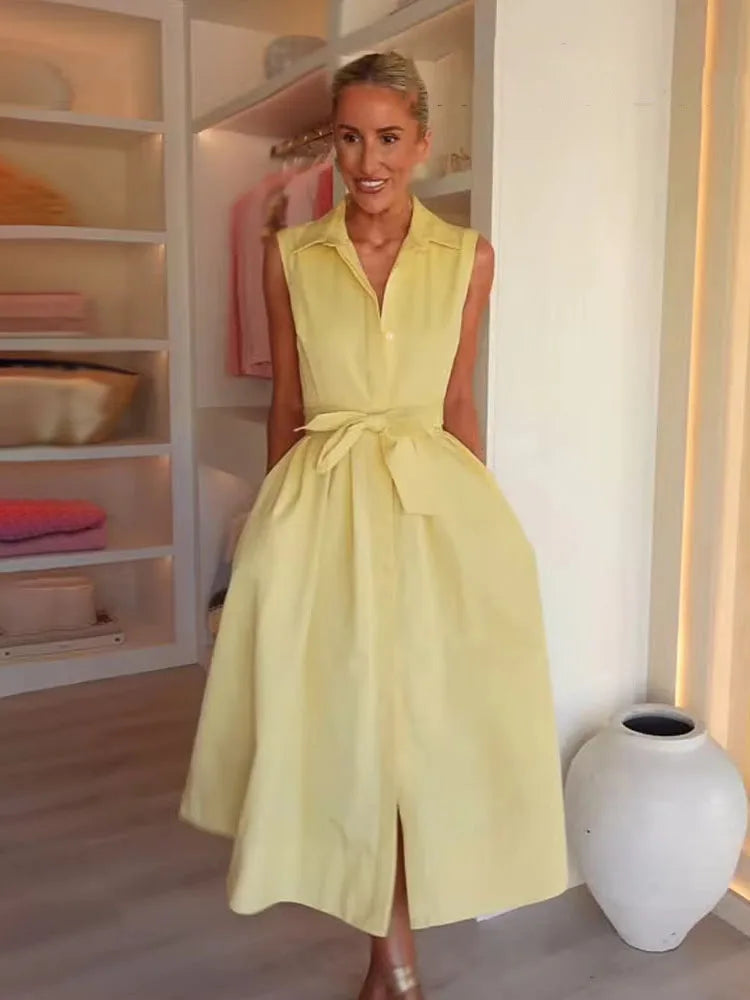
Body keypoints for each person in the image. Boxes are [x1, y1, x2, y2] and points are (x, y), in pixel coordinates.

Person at [181, 51, 568, 999]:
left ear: (423, 144)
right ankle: (390, 959)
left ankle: (393, 958)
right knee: (347, 733)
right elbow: (287, 406)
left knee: (427, 734)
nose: (369, 160)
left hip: (435, 509)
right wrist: (266, 539)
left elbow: (458, 400)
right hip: (322, 506)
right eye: (351, 137)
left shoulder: (468, 258)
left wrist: (489, 535)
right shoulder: (289, 255)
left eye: (389, 137)